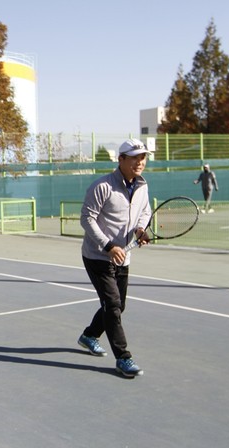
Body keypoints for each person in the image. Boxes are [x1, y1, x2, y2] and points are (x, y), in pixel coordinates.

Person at [76, 138, 152, 378]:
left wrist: (140, 230)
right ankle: (123, 357)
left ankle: (89, 335)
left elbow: (145, 212)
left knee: (119, 306)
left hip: (123, 256)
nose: (140, 162)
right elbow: (86, 219)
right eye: (135, 158)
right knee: (113, 306)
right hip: (97, 256)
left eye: (143, 157)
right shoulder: (102, 186)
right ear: (121, 159)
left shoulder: (142, 186)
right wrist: (108, 246)